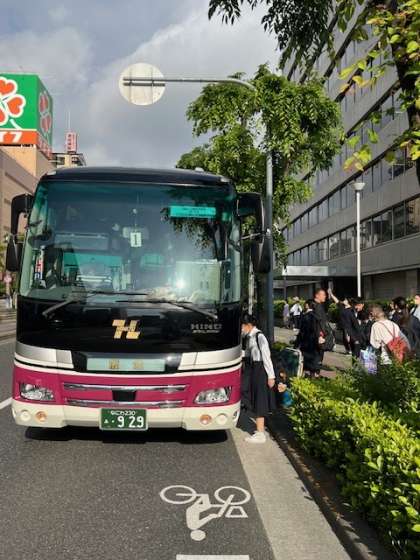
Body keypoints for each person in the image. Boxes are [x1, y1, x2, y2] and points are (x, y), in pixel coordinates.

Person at [241, 314, 276, 444]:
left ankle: (260, 434)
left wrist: (271, 376)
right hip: (254, 369)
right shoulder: (250, 337)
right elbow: (247, 354)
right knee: (253, 396)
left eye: (242, 326)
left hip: (261, 370)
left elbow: (267, 356)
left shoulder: (259, 336)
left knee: (260, 400)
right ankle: (259, 431)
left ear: (248, 325)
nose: (241, 329)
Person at [294, 299, 323, 377]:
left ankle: (302, 377)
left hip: (306, 341)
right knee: (313, 361)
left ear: (307, 305)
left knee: (303, 361)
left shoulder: (306, 316)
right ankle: (312, 376)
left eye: (305, 303)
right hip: (314, 341)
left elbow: (302, 331)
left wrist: (297, 343)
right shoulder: (316, 316)